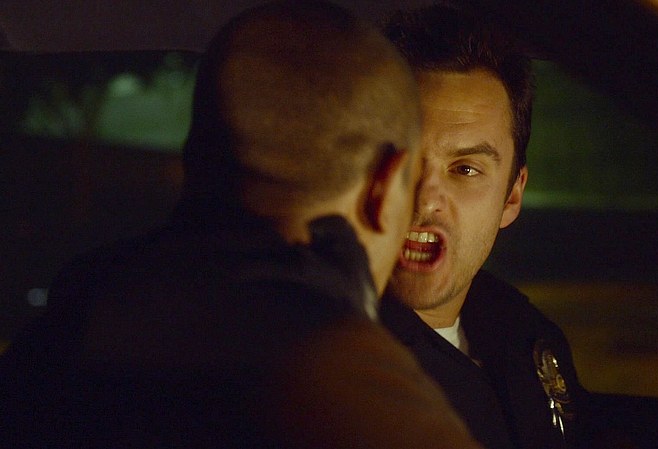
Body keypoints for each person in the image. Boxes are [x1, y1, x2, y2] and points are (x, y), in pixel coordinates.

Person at [0, 2, 482, 448]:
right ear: (384, 186)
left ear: (192, 158)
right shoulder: (352, 391)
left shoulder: (54, 340)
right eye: (412, 182)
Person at [378, 5, 587, 449]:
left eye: (466, 170)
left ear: (512, 196)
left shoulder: (523, 330)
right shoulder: (329, 366)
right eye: (404, 160)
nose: (426, 200)